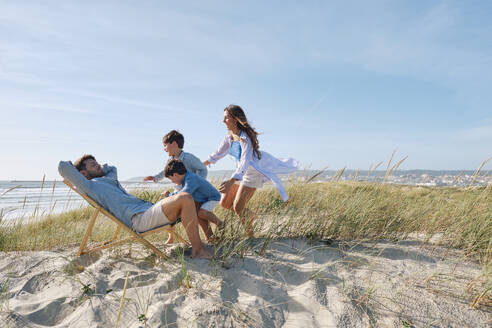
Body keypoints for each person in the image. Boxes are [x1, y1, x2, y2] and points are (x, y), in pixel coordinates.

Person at [58, 154, 212, 259]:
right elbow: (63, 167)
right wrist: (79, 170)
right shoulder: (89, 186)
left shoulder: (108, 179)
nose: (98, 165)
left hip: (148, 210)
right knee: (185, 197)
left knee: (195, 198)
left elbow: (113, 168)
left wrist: (99, 168)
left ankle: (210, 238)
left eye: (97, 162)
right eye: (93, 165)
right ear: (83, 174)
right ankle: (197, 250)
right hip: (139, 219)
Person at [204, 104, 298, 236]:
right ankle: (250, 215)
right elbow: (217, 153)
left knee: (238, 207)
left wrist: (231, 181)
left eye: (226, 118)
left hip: (252, 172)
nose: (223, 121)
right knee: (224, 203)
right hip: (240, 172)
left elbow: (244, 162)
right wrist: (203, 164)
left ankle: (250, 236)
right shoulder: (229, 137)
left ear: (235, 119)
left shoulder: (245, 138)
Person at [163, 159, 223, 243]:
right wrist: (172, 194)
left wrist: (169, 195)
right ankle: (210, 237)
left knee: (202, 213)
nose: (172, 181)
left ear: (176, 175)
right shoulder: (186, 178)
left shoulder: (191, 178)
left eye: (171, 179)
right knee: (199, 215)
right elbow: (181, 191)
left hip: (212, 198)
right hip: (203, 199)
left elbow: (184, 193)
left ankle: (220, 224)